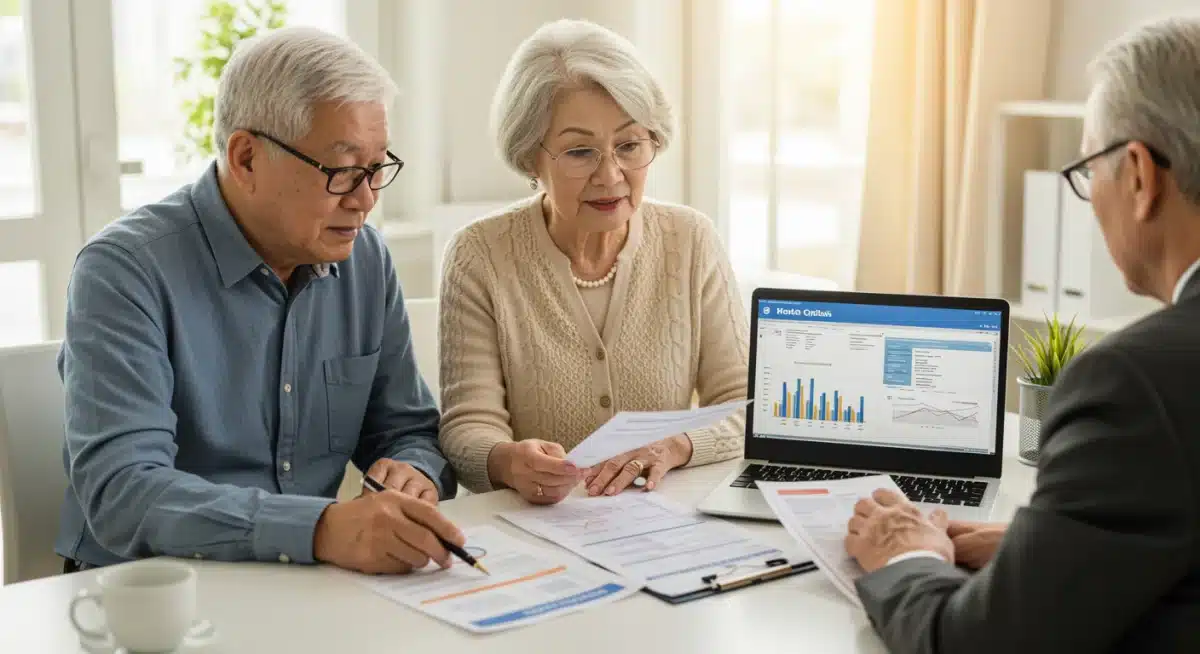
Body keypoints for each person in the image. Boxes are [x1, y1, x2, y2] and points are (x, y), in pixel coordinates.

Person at [844, 16, 1200, 653]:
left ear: (1141, 177)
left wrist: (908, 557)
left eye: (1090, 171)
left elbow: (977, 646)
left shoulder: (1134, 383)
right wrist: (1051, 549)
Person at [56, 27, 464, 575]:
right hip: (149, 590)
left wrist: (412, 469)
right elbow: (125, 493)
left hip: (305, 579)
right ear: (246, 158)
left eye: (376, 169)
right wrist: (319, 528)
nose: (366, 199)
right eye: (343, 171)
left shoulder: (364, 259)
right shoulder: (123, 271)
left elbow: (407, 428)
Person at [437, 19, 748, 504]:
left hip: (667, 518)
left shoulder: (690, 240)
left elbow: (745, 406)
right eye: (580, 151)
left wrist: (678, 445)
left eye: (629, 146)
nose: (611, 175)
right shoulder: (479, 255)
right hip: (541, 525)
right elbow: (467, 426)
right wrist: (508, 460)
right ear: (529, 158)